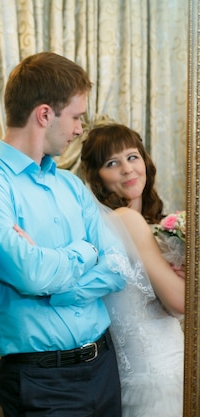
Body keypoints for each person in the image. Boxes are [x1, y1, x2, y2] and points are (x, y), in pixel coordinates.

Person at [0, 52, 128, 416]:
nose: (78, 129)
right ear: (44, 114)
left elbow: (118, 266)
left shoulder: (72, 185)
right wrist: (87, 251)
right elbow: (30, 273)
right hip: (40, 381)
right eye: (75, 117)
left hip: (103, 366)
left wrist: (54, 292)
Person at [80, 122, 184, 417]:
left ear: (145, 161)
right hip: (158, 379)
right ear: (97, 177)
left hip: (141, 377)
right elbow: (179, 301)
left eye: (132, 156)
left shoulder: (121, 224)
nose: (127, 169)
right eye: (112, 163)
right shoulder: (127, 219)